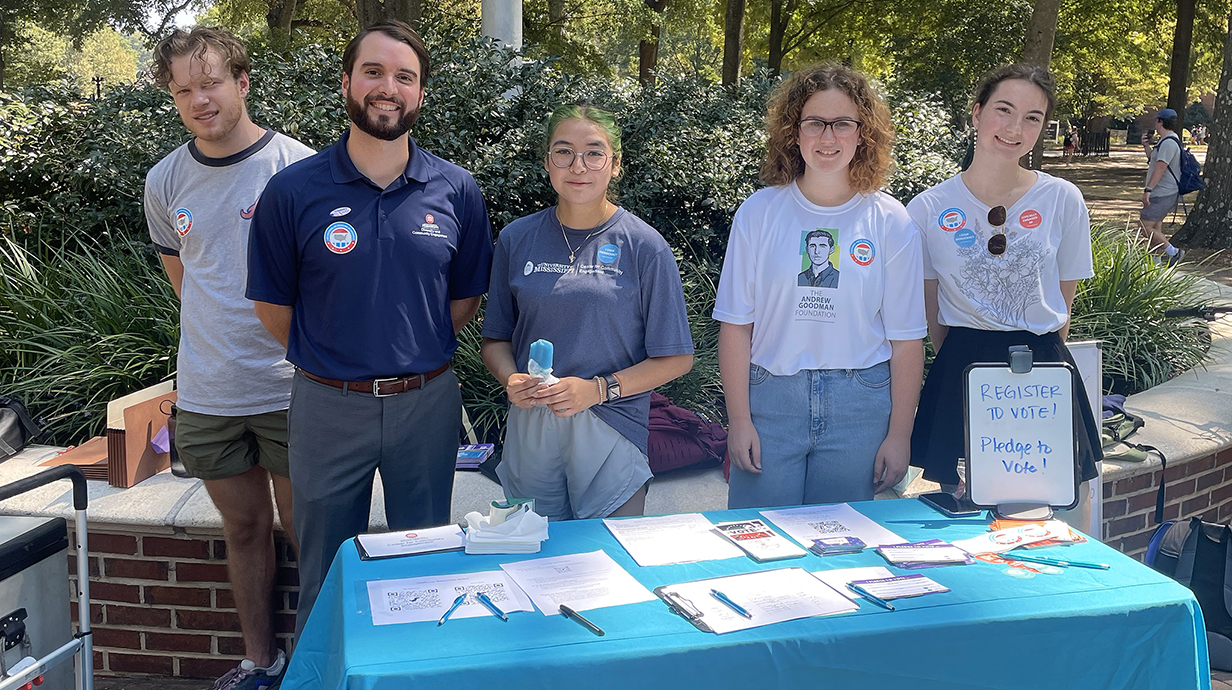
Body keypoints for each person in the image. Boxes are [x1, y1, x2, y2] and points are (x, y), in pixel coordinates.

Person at [246, 20, 494, 637]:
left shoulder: (456, 189)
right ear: (346, 84)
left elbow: (462, 300)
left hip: (426, 405)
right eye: (374, 72)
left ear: (421, 93)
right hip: (327, 406)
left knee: (425, 565)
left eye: (404, 77)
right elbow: (274, 308)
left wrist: (406, 353)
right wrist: (338, 359)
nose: (389, 87)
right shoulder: (291, 191)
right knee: (327, 573)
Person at [144, 26, 313, 690]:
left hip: (291, 388)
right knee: (243, 528)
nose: (199, 100)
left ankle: (319, 662)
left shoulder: (297, 169)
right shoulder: (165, 180)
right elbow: (188, 281)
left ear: (243, 82)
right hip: (210, 393)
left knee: (308, 530)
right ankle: (258, 661)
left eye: (210, 82)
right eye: (184, 89)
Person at [714, 63, 926, 509]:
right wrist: (738, 421)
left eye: (842, 123)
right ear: (794, 132)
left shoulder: (891, 221)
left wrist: (899, 435)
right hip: (771, 400)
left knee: (841, 549)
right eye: (814, 123)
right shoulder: (759, 213)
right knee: (760, 545)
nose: (827, 138)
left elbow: (907, 341)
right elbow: (735, 326)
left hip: (860, 405)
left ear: (862, 132)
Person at [907, 64, 1102, 527]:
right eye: (1004, 110)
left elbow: (1063, 301)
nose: (1015, 128)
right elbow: (931, 313)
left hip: (1044, 365)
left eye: (1033, 117)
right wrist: (966, 358)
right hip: (963, 363)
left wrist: (1038, 364)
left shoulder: (1063, 199)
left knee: (1055, 509)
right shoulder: (928, 209)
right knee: (962, 514)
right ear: (976, 114)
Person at [480, 104, 694, 521]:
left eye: (594, 153)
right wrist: (512, 379)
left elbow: (677, 358)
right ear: (547, 162)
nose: (579, 166)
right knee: (532, 560)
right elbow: (495, 340)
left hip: (611, 423)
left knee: (606, 569)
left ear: (615, 165)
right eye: (564, 152)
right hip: (532, 426)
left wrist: (597, 389)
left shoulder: (644, 246)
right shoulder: (516, 238)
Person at [1136, 108, 1185, 266]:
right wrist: (1146, 146)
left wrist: (1148, 190)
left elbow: (1160, 168)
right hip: (1163, 191)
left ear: (1161, 122)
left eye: (1157, 120)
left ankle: (1174, 252)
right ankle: (1154, 263)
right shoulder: (1165, 141)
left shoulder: (1169, 143)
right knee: (1155, 228)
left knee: (1144, 226)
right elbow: (1155, 161)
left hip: (1163, 192)